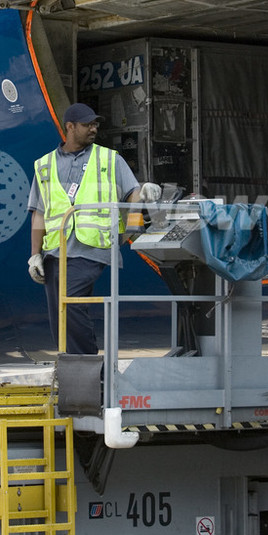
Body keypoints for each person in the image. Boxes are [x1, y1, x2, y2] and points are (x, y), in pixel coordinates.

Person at [27, 103, 161, 355]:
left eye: (95, 124)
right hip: (56, 251)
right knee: (59, 314)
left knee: (72, 302)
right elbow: (39, 214)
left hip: (92, 247)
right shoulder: (43, 165)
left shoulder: (109, 159)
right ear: (70, 127)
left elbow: (131, 192)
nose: (94, 128)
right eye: (88, 124)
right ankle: (71, 368)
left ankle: (88, 365)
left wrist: (136, 214)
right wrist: (35, 255)